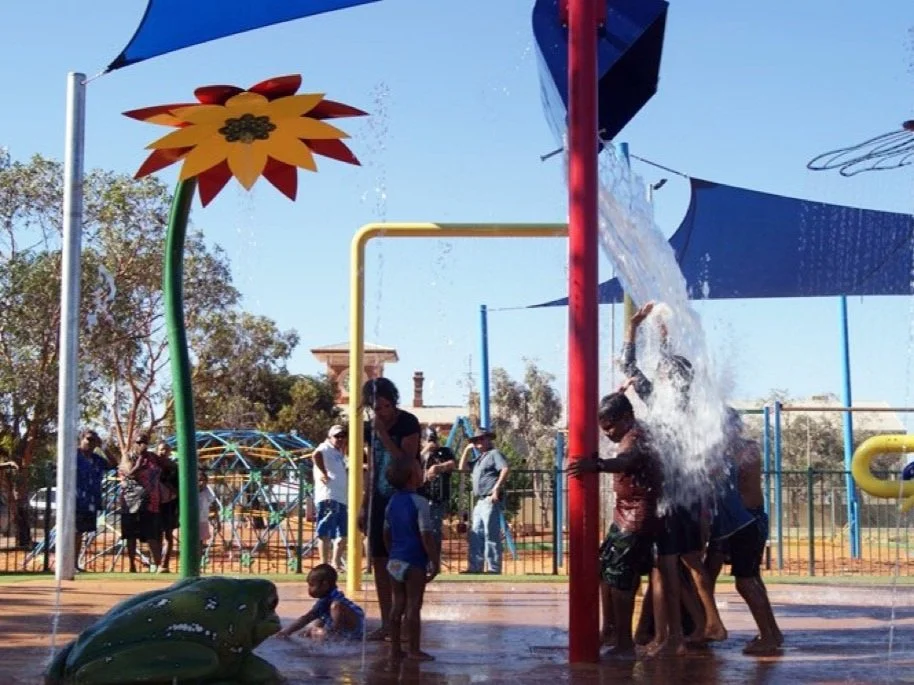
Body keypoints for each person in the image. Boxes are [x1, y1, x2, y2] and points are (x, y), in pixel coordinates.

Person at [623, 302, 726, 654]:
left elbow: (630, 368)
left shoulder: (664, 409)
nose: (659, 376)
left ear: (670, 379)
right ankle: (705, 623)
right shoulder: (685, 407)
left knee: (666, 564)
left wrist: (634, 330)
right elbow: (653, 370)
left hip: (671, 499)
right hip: (688, 497)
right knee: (687, 561)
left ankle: (673, 638)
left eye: (664, 372)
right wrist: (661, 337)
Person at [568, 392, 662, 656]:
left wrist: (596, 465)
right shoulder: (630, 434)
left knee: (620, 578)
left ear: (627, 417)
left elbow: (626, 460)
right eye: (603, 428)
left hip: (636, 515)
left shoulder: (637, 436)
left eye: (610, 426)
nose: (608, 433)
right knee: (605, 569)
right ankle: (610, 629)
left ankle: (624, 642)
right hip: (625, 514)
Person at [706, 410, 783, 655]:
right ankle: (772, 632)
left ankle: (769, 636)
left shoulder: (743, 451)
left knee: (746, 582)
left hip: (746, 523)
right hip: (748, 521)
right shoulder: (745, 448)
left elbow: (724, 474)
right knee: (752, 579)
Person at [358, 377, 421, 641]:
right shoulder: (366, 428)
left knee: (403, 562)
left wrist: (383, 433)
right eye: (376, 407)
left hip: (403, 497)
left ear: (393, 401)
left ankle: (406, 623)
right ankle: (386, 622)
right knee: (380, 562)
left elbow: (404, 459)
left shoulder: (408, 422)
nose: (381, 411)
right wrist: (364, 502)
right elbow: (371, 465)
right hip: (377, 497)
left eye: (385, 405)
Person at [383, 458, 439, 661]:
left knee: (397, 604)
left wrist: (393, 553)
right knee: (414, 605)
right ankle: (414, 649)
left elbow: (386, 534)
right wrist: (434, 559)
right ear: (411, 478)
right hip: (414, 559)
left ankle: (395, 648)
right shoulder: (420, 502)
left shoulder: (391, 503)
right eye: (417, 469)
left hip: (395, 560)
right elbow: (426, 534)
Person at [458, 428, 510, 574]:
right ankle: (474, 567)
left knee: (490, 534)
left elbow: (505, 469)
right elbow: (462, 468)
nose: (478, 442)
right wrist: (467, 450)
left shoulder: (494, 454)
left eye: (481, 439)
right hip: (480, 501)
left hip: (490, 498)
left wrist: (496, 489)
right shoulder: (480, 458)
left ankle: (493, 568)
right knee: (476, 534)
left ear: (488, 439)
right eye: (476, 440)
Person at [277, 563, 365, 641]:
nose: (309, 589)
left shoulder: (333, 599)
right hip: (349, 623)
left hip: (354, 626)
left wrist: (286, 632)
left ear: (325, 585)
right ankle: (330, 633)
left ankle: (334, 635)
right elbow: (309, 618)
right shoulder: (326, 599)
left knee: (335, 607)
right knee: (318, 620)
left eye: (311, 585)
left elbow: (306, 618)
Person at [119, 433, 163, 573]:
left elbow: (166, 466)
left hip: (151, 502)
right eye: (138, 442)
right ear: (133, 443)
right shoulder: (128, 456)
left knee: (152, 535)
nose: (141, 445)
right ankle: (132, 565)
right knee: (131, 535)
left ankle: (158, 565)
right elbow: (130, 473)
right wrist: (139, 463)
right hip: (131, 502)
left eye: (144, 442)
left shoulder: (153, 457)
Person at [75, 430, 117, 571]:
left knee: (81, 532)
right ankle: (68, 563)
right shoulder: (73, 455)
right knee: (74, 531)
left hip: (91, 500)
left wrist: (103, 447)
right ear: (81, 439)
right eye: (89, 439)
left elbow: (114, 464)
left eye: (94, 440)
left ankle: (74, 563)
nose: (91, 442)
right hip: (75, 499)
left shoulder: (97, 459)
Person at [312, 424, 349, 569]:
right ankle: (324, 564)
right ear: (329, 437)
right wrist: (323, 473)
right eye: (337, 436)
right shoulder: (325, 447)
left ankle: (335, 562)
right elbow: (316, 455)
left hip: (341, 497)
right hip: (329, 496)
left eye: (343, 436)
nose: (340, 439)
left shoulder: (339, 453)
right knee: (325, 531)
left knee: (343, 534)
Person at [418, 427, 456, 564]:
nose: (432, 443)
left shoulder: (444, 452)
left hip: (437, 497)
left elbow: (452, 463)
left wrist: (438, 467)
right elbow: (413, 463)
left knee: (433, 530)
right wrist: (425, 451)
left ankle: (433, 563)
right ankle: (422, 562)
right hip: (421, 497)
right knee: (420, 530)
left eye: (433, 439)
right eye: (428, 440)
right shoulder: (420, 454)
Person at [153, 440, 179, 573]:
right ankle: (157, 562)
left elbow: (178, 486)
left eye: (166, 450)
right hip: (154, 503)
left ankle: (164, 564)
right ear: (157, 451)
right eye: (161, 449)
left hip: (169, 503)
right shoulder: (151, 465)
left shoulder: (174, 467)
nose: (163, 452)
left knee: (168, 534)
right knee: (155, 535)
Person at [198, 469, 216, 561]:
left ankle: (199, 558)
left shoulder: (207, 491)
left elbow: (213, 504)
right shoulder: (191, 492)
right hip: (192, 520)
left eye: (204, 480)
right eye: (200, 480)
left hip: (203, 519)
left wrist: (215, 517)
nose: (202, 483)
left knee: (201, 540)